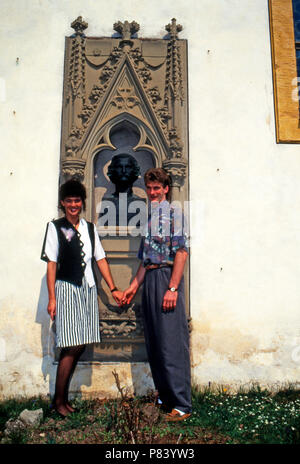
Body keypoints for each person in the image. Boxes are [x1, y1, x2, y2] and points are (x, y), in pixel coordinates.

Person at [41, 179, 123, 418]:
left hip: (86, 289)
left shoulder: (89, 228)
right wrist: (52, 298)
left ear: (82, 202)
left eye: (77, 200)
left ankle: (62, 400)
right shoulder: (55, 227)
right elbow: (52, 265)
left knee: (80, 343)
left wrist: (113, 288)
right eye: (69, 201)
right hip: (66, 289)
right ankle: (58, 401)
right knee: (71, 344)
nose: (73, 205)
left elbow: (100, 259)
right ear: (63, 203)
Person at [121, 168, 192, 421]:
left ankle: (182, 404)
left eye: (157, 188)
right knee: (155, 341)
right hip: (150, 278)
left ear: (165, 189)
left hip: (166, 278)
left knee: (171, 341)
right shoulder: (149, 217)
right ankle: (165, 398)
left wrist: (172, 288)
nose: (152, 192)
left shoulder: (175, 214)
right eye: (149, 188)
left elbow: (181, 253)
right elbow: (144, 260)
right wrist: (132, 287)